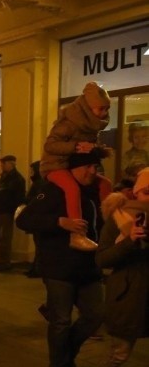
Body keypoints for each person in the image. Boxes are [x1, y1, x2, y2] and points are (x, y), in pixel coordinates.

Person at [16, 148, 106, 367]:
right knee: (61, 321)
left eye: (94, 166)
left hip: (89, 267)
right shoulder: (53, 190)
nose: (92, 171)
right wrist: (59, 222)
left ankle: (67, 358)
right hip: (59, 267)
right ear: (73, 168)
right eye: (87, 166)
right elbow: (24, 220)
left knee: (95, 315)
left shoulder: (94, 191)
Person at [82, 168, 149, 367]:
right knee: (120, 351)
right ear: (137, 191)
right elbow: (102, 259)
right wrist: (130, 240)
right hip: (129, 293)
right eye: (147, 191)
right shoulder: (119, 216)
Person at [40, 81, 113, 251]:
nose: (104, 113)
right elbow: (50, 145)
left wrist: (97, 150)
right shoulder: (69, 123)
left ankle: (109, 228)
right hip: (54, 165)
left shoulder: (91, 125)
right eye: (100, 108)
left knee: (105, 184)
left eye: (106, 109)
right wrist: (76, 146)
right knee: (72, 189)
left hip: (72, 165)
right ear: (88, 107)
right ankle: (77, 235)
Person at [0, 155, 27, 271]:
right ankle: (2, 260)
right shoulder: (3, 177)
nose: (1, 166)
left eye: (3, 164)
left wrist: (11, 208)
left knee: (5, 237)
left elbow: (18, 197)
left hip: (6, 211)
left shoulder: (17, 179)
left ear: (10, 164)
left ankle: (5, 262)